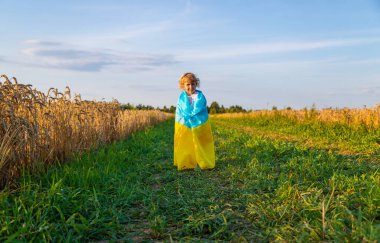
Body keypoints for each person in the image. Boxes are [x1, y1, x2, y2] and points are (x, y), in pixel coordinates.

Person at [174, 72, 215, 170]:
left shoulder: (200, 96)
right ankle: (186, 162)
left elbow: (200, 108)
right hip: (184, 123)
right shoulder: (181, 98)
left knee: (201, 142)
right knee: (185, 142)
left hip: (199, 123)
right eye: (188, 84)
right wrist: (187, 116)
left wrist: (192, 115)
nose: (190, 87)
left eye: (193, 84)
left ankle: (204, 162)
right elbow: (181, 110)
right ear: (183, 86)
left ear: (196, 84)